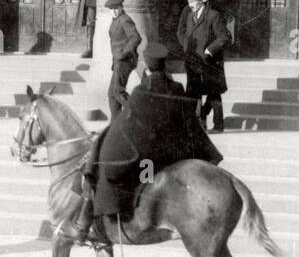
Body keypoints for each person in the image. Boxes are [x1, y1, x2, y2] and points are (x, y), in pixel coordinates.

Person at [63, 44, 224, 246]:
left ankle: (84, 225)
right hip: (170, 157)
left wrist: (105, 138)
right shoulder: (177, 89)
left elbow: (124, 125)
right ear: (164, 66)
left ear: (146, 68)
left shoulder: (141, 91)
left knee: (97, 162)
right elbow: (190, 123)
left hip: (145, 160)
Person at [177, 0, 230, 133]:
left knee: (214, 92)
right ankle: (200, 124)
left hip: (209, 61)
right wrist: (186, 47)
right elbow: (183, 34)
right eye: (189, 1)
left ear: (201, 0)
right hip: (193, 60)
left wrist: (209, 50)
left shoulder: (213, 15)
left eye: (193, 1)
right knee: (195, 93)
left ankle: (219, 125)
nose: (190, 4)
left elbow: (224, 37)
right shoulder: (189, 16)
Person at [106, 0, 141, 119]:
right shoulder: (116, 19)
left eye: (116, 8)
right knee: (112, 94)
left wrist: (123, 52)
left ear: (121, 7)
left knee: (117, 92)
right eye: (111, 9)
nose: (114, 11)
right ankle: (116, 125)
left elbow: (136, 38)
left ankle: (140, 113)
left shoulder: (125, 19)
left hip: (125, 61)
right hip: (118, 61)